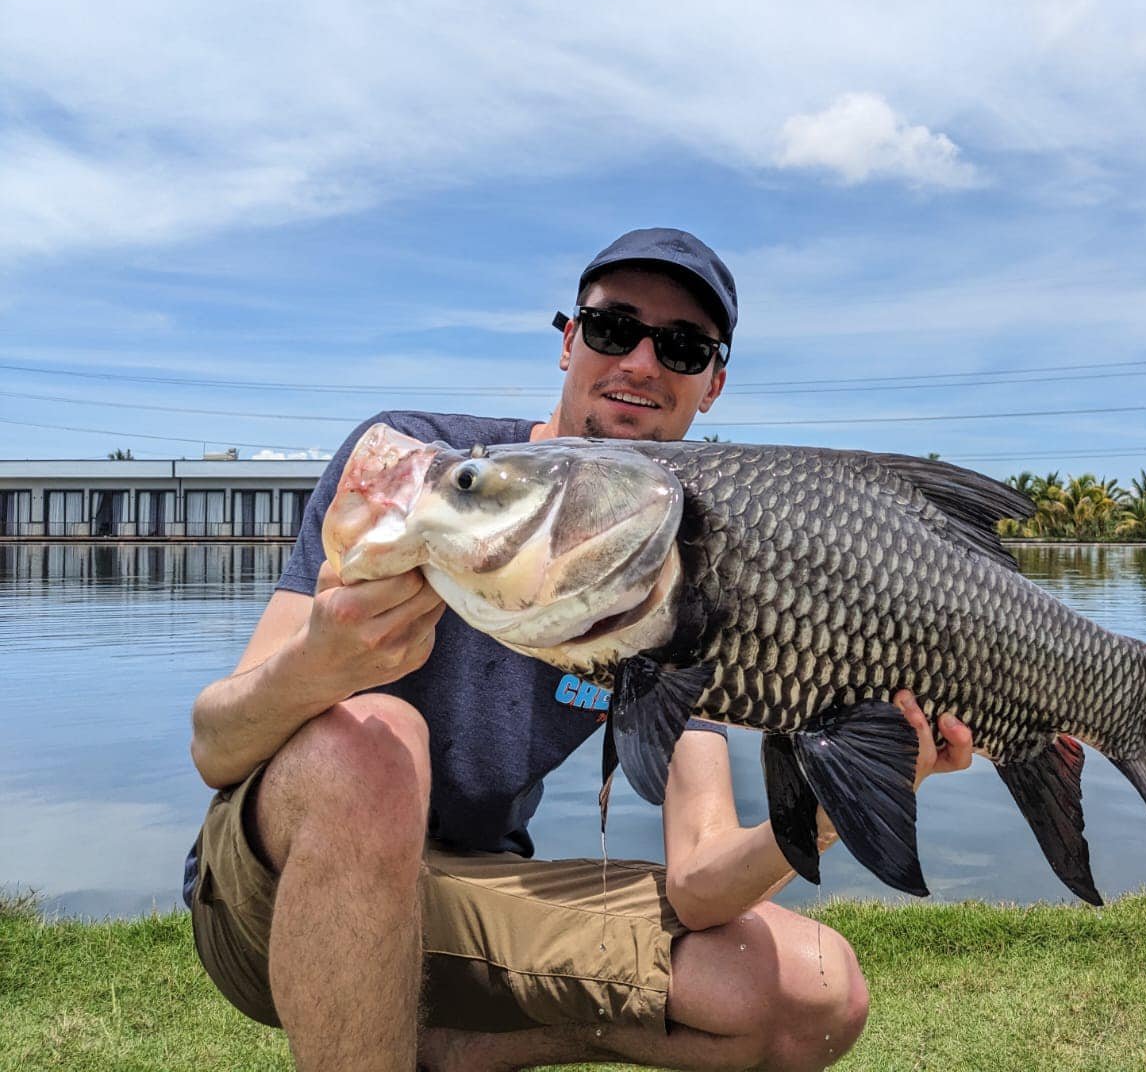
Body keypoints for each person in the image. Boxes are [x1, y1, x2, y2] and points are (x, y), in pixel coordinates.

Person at [185, 227, 974, 1072]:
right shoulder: (419, 466)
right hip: (276, 891)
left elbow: (700, 882)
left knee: (815, 992)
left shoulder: (695, 564)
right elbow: (215, 745)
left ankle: (443, 1048)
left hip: (468, 894)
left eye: (682, 347)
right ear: (568, 341)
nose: (641, 362)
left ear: (712, 384)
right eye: (612, 328)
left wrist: (844, 797)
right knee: (370, 745)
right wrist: (322, 663)